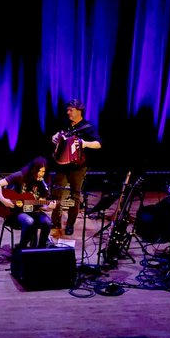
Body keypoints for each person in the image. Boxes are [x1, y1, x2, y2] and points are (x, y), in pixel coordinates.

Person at [49, 99, 101, 236]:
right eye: (68, 110)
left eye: (71, 110)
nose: (68, 112)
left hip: (78, 166)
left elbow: (98, 144)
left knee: (75, 195)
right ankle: (55, 222)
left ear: (79, 111)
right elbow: (59, 135)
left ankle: (70, 224)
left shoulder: (88, 127)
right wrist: (55, 137)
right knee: (56, 193)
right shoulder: (66, 125)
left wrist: (84, 143)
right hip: (62, 165)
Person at [0, 156, 57, 251]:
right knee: (29, 221)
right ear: (32, 170)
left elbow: (40, 205)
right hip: (17, 211)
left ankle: (41, 249)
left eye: (43, 171)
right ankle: (22, 249)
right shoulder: (21, 175)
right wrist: (3, 200)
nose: (40, 174)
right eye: (38, 171)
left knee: (47, 222)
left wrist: (48, 207)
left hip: (33, 210)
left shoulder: (43, 183)